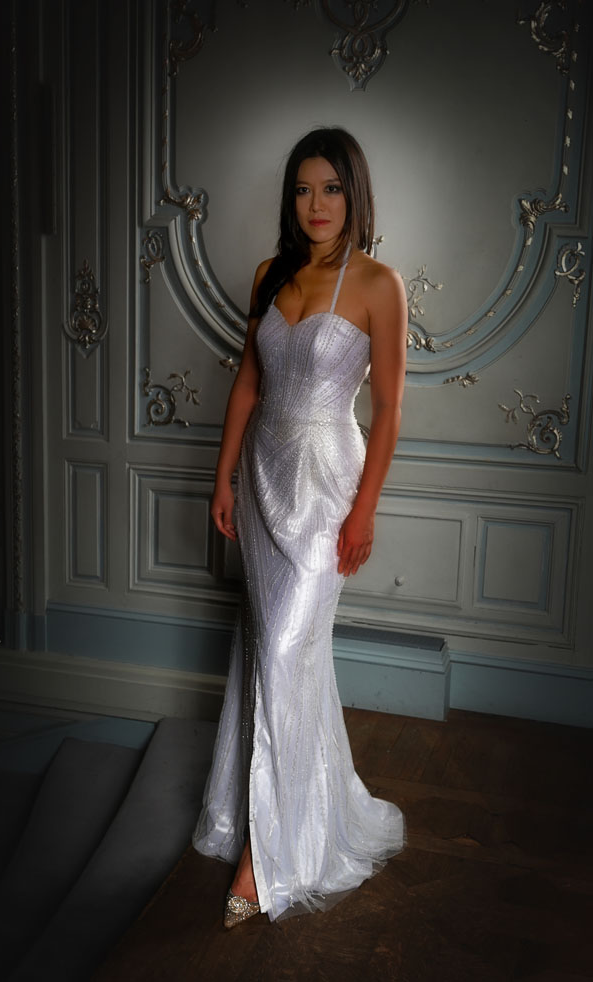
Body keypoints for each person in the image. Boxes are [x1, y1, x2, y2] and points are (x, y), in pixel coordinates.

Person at [192, 127, 407, 927]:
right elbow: (248, 384)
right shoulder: (269, 274)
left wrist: (365, 508)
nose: (316, 204)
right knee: (270, 652)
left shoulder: (379, 283)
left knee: (286, 650)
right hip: (261, 481)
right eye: (303, 189)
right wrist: (221, 475)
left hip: (326, 488)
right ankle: (278, 812)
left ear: (354, 194)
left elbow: (388, 409)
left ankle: (265, 854)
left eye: (331, 188)